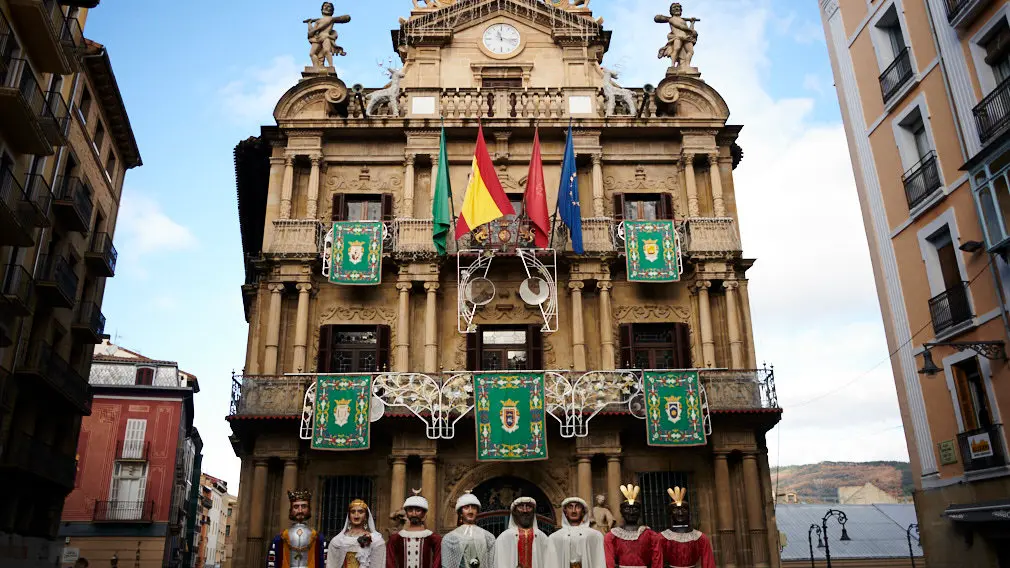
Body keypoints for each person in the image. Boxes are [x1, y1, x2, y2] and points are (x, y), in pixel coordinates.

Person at [652, 488, 714, 568]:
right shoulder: (661, 538)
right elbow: (657, 563)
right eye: (676, 510)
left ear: (688, 513)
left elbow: (709, 563)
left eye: (684, 509)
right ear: (670, 513)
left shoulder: (700, 538)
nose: (680, 513)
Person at [603, 486, 659, 568]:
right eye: (627, 509)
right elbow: (609, 562)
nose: (631, 512)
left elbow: (657, 560)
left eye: (635, 509)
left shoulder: (651, 535)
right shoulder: (612, 536)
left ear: (640, 512)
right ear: (621, 512)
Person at [268, 489, 327, 568]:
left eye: (303, 506)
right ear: (291, 510)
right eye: (296, 507)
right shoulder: (280, 539)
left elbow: (324, 563)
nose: (300, 510)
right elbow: (272, 564)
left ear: (309, 509)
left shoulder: (319, 538)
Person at [493, 497, 558, 568]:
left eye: (528, 507)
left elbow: (550, 563)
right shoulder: (504, 538)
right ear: (514, 512)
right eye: (521, 507)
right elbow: (500, 564)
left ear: (533, 512)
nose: (525, 510)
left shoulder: (542, 537)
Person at [387, 492, 442, 568]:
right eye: (410, 510)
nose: (414, 514)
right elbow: (390, 562)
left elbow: (438, 561)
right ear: (406, 513)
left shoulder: (433, 538)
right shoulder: (396, 538)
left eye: (418, 510)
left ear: (424, 513)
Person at [442, 493, 496, 568]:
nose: (470, 511)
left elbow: (492, 564)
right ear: (460, 513)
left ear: (477, 512)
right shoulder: (449, 538)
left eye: (474, 507)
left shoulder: (488, 537)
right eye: (466, 507)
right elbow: (447, 565)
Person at [328, 499, 386, 568]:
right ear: (349, 516)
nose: (356, 515)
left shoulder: (376, 540)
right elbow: (332, 564)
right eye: (353, 512)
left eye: (360, 512)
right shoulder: (338, 541)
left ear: (366, 517)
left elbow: (378, 565)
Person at [550, 497, 606, 568]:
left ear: (583, 511)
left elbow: (599, 562)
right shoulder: (554, 538)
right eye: (570, 507)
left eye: (578, 507)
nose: (574, 511)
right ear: (565, 512)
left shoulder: (595, 536)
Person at [304, 2, 351, 68]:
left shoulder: (331, 19)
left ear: (332, 10)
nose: (326, 7)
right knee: (312, 54)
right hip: (317, 38)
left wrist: (315, 29)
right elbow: (311, 32)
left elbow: (346, 18)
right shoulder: (318, 21)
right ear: (322, 9)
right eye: (325, 6)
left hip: (326, 36)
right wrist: (309, 23)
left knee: (326, 51)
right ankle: (316, 67)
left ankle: (331, 66)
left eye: (328, 6)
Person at [653, 3, 700, 69]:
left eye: (678, 7)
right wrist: (691, 31)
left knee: (690, 52)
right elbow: (680, 26)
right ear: (671, 11)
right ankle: (672, 65)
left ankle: (687, 66)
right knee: (676, 49)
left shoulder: (683, 20)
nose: (677, 8)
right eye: (674, 7)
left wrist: (692, 23)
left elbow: (689, 31)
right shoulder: (672, 19)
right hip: (678, 37)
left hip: (687, 38)